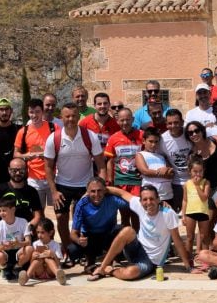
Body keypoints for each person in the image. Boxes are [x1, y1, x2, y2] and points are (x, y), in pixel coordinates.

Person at [92, 185, 192, 281]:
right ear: (140, 201)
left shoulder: (168, 214)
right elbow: (121, 193)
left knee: (130, 273)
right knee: (128, 231)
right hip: (136, 249)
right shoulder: (139, 205)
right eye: (145, 199)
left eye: (152, 199)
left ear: (158, 200)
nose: (148, 202)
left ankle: (110, 270)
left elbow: (177, 241)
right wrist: (100, 190)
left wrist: (188, 267)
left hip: (151, 260)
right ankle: (102, 267)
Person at [44, 103, 104, 247]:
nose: (70, 119)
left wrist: (100, 187)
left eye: (73, 116)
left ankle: (86, 249)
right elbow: (48, 167)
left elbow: (101, 165)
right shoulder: (53, 138)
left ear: (78, 117)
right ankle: (68, 249)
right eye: (67, 116)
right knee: (61, 217)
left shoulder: (90, 136)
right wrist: (54, 192)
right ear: (61, 118)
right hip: (63, 184)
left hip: (85, 185)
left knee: (86, 218)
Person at [69, 176, 129, 272]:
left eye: (99, 190)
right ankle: (90, 261)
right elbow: (73, 233)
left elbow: (133, 203)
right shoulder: (82, 204)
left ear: (105, 190)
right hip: (90, 237)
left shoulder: (112, 200)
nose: (96, 194)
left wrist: (113, 190)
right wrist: (79, 240)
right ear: (87, 192)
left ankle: (112, 259)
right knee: (72, 249)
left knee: (121, 230)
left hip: (108, 235)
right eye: (93, 191)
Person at [0, 157, 43, 241]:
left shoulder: (32, 191)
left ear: (26, 170)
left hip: (24, 233)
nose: (17, 173)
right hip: (3, 234)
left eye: (21, 170)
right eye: (14, 170)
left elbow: (37, 215)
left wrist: (29, 228)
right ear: (8, 170)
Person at [15, 98, 56, 208]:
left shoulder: (53, 128)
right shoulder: (23, 131)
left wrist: (48, 155)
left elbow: (61, 149)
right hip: (34, 179)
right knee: (37, 212)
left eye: (37, 112)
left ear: (42, 112)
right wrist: (27, 156)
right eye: (31, 112)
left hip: (53, 177)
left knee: (59, 212)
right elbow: (16, 154)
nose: (34, 115)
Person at [0, 195, 34, 282]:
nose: (1, 213)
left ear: (13, 209)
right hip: (5, 252)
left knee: (29, 248)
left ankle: (17, 267)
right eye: (0, 211)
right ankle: (5, 268)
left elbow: (28, 242)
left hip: (18, 251)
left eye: (4, 210)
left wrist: (19, 243)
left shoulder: (23, 222)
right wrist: (2, 247)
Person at [105, 107, 144, 200]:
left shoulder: (142, 135)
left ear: (133, 119)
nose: (125, 123)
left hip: (137, 181)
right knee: (124, 212)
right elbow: (110, 161)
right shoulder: (113, 138)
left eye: (128, 120)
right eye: (122, 120)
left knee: (136, 211)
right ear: (117, 121)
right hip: (120, 182)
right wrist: (110, 179)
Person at [182, 155, 212, 265]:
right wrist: (183, 215)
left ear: (204, 171)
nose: (197, 174)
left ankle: (206, 260)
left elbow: (204, 197)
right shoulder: (186, 184)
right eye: (195, 171)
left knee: (204, 237)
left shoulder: (206, 182)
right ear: (190, 171)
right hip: (190, 212)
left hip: (203, 212)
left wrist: (197, 186)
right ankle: (189, 259)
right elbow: (184, 200)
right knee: (190, 237)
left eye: (200, 171)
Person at [161, 108, 192, 211]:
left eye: (176, 122)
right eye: (170, 123)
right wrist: (166, 164)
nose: (173, 126)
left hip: (193, 181)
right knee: (173, 216)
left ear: (182, 122)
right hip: (175, 183)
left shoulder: (190, 134)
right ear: (166, 124)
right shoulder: (162, 140)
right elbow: (159, 157)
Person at [134, 127, 174, 202]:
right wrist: (161, 172)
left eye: (156, 142)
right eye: (151, 141)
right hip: (151, 197)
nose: (153, 144)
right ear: (143, 141)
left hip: (167, 195)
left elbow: (171, 173)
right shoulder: (140, 155)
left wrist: (166, 170)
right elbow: (145, 171)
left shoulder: (162, 156)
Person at [0, 98, 22, 184]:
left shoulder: (19, 130)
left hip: (16, 178)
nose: (4, 113)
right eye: (1, 109)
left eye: (7, 109)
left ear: (11, 111)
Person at [24, 218, 65, 285]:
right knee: (37, 259)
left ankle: (58, 275)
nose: (39, 235)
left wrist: (53, 255)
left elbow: (58, 263)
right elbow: (32, 263)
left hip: (51, 272)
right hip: (39, 272)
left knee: (48, 259)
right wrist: (33, 257)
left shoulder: (55, 245)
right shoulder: (35, 244)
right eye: (38, 232)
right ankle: (27, 277)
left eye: (42, 232)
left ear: (50, 232)